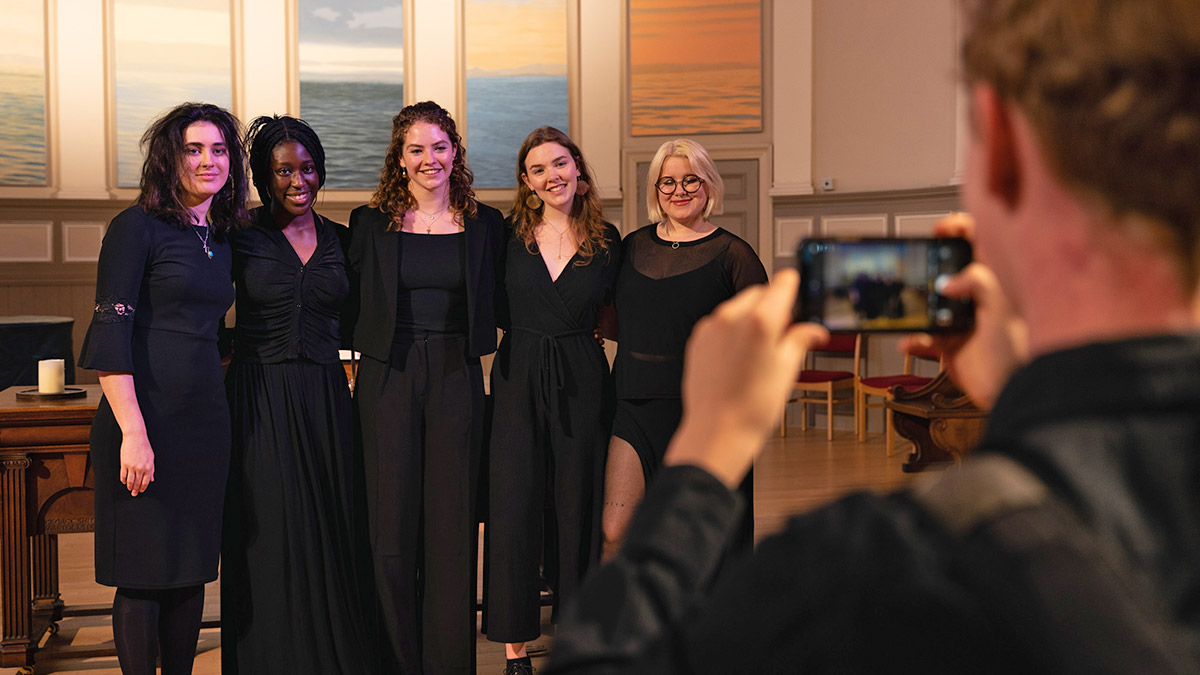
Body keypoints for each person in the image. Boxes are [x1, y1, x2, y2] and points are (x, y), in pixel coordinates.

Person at [547, 0, 1200, 672]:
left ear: (1002, 146)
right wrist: (1017, 394)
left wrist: (708, 452)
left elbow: (599, 659)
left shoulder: (889, 569)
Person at [78, 102, 249, 675]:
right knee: (144, 572)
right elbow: (111, 333)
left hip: (204, 422)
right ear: (168, 158)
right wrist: (133, 433)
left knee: (189, 568)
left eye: (219, 149)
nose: (208, 161)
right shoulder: (136, 227)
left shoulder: (222, 235)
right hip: (143, 422)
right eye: (193, 149)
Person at [345, 100, 504, 675]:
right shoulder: (369, 225)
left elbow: (514, 298)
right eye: (417, 149)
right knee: (389, 524)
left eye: (439, 147)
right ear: (401, 157)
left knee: (453, 526)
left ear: (455, 152)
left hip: (458, 376)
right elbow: (338, 304)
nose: (429, 159)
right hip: (387, 374)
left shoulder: (487, 225)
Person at [220, 115, 371, 674]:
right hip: (258, 397)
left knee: (332, 525)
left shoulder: (344, 239)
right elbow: (203, 306)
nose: (297, 179)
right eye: (283, 169)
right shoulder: (239, 235)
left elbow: (362, 321)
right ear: (264, 174)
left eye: (307, 167)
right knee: (268, 532)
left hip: (327, 396)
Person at [485, 127, 620, 675]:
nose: (552, 176)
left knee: (579, 506)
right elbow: (487, 305)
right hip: (518, 377)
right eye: (539, 169)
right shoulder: (506, 235)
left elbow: (621, 313)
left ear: (578, 169)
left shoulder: (609, 240)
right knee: (514, 506)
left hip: (584, 381)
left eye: (560, 164)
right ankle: (516, 645)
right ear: (526, 181)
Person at [601, 138, 766, 560]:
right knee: (616, 529)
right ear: (655, 190)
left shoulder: (735, 256)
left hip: (705, 415)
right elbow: (619, 319)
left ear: (709, 185)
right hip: (633, 405)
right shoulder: (631, 247)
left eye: (691, 179)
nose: (680, 191)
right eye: (668, 182)